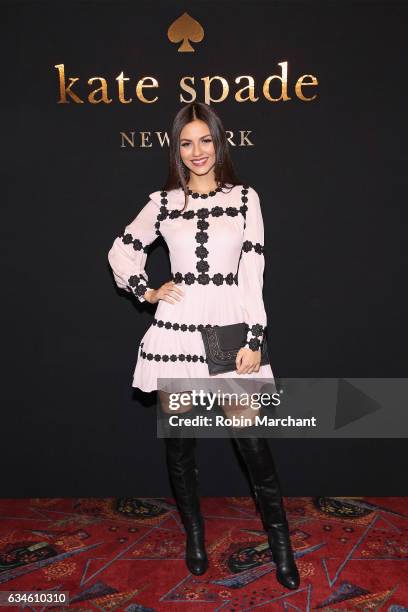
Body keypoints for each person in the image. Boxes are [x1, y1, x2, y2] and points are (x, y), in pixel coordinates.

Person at [107, 102, 300, 589]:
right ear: (177, 149)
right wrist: (145, 289)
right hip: (177, 325)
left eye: (205, 140)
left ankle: (280, 543)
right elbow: (122, 249)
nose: (197, 151)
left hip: (227, 326)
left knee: (251, 444)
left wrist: (254, 335)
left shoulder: (244, 198)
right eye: (186, 142)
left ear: (219, 142)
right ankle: (194, 535)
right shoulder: (165, 202)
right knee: (180, 446)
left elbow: (252, 271)